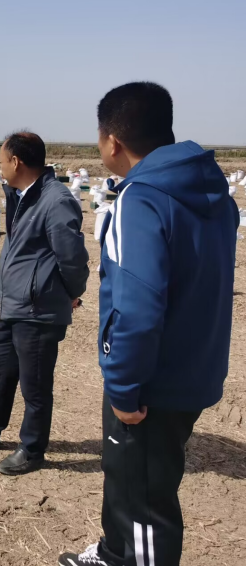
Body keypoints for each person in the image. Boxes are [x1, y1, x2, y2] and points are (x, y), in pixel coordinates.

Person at [59, 83, 238, 566]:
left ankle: (127, 554)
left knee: (142, 501)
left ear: (113, 141)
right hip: (195, 368)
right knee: (128, 478)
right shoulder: (215, 197)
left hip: (150, 383)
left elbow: (136, 307)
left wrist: (124, 386)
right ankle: (113, 552)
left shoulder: (141, 201)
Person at [0, 131, 89, 475]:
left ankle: (32, 450)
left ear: (16, 161)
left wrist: (72, 293)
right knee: (3, 372)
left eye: (1, 161)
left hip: (38, 310)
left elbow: (72, 258)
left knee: (35, 385)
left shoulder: (56, 201)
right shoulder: (21, 196)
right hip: (15, 304)